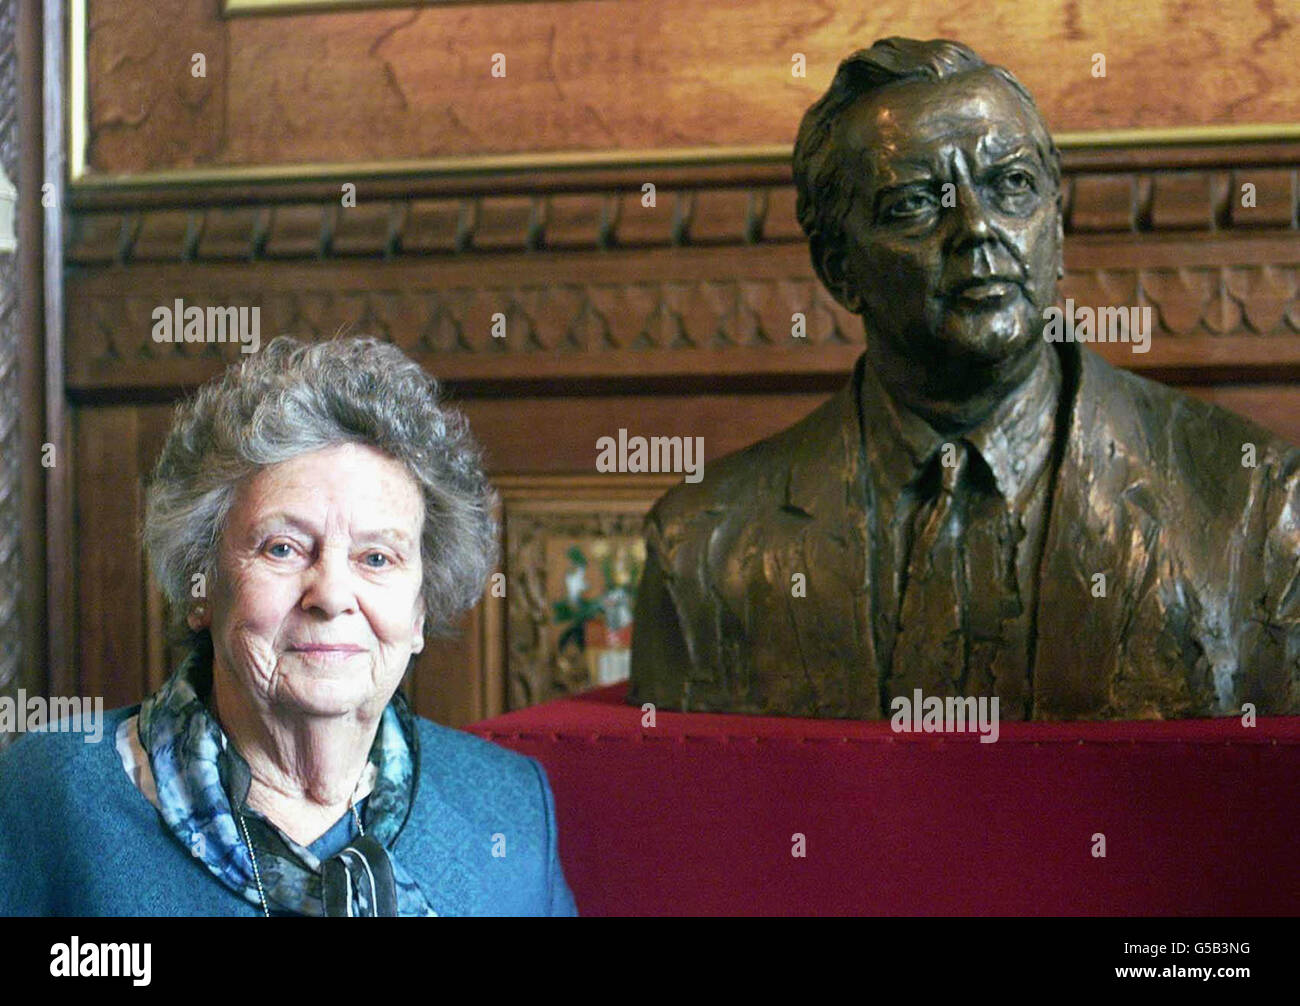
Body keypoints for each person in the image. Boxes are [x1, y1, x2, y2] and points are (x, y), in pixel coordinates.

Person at [629, 38, 1300, 721]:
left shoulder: (1256, 507)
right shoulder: (704, 550)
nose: (977, 229)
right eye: (915, 204)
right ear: (838, 268)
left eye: (1012, 185)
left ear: (1057, 229)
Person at [0, 336, 577, 916]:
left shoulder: (509, 807)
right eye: (282, 548)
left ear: (421, 610)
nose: (329, 596)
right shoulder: (53, 794)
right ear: (201, 585)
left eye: (376, 558)